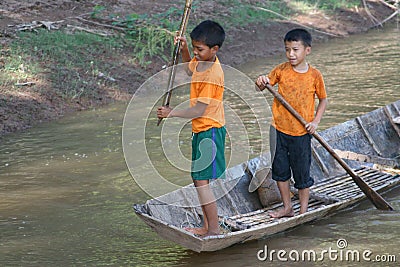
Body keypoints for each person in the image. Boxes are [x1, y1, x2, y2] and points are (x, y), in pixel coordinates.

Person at [157, 20, 226, 237]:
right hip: (201, 130)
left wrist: (171, 113)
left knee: (202, 181)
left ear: (215, 49)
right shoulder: (202, 61)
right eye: (195, 48)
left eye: (200, 49)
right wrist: (185, 50)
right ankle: (207, 226)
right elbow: (189, 70)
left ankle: (213, 228)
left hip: (210, 130)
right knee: (199, 180)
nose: (196, 53)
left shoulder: (212, 74)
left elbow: (199, 111)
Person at [255, 28, 328, 218]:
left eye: (295, 49)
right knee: (280, 170)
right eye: (287, 50)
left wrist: (315, 122)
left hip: (302, 132)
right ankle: (287, 208)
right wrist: (261, 81)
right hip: (279, 129)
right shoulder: (281, 70)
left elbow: (323, 100)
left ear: (307, 50)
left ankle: (303, 212)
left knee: (302, 173)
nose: (291, 54)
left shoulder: (314, 76)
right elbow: (262, 86)